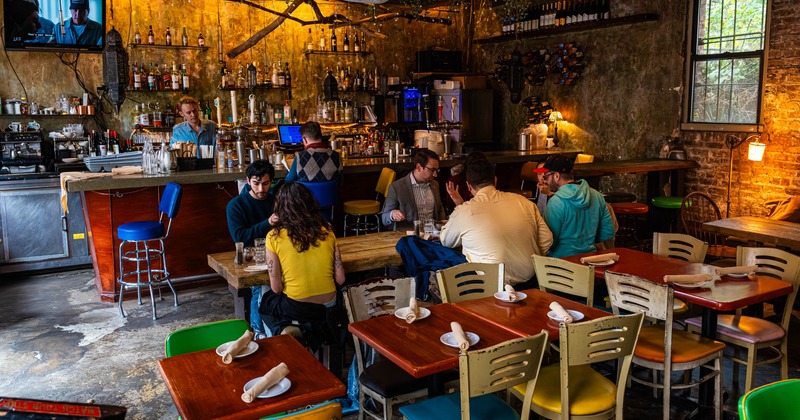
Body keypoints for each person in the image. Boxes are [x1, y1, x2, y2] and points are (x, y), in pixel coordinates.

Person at [440, 152, 553, 288]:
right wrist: (529, 258)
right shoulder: (524, 202)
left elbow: (446, 241)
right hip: (531, 282)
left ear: (469, 186)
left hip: (490, 287)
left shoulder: (464, 211)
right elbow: (547, 239)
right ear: (495, 180)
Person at [259, 182, 346, 347]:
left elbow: (276, 288)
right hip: (328, 306)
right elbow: (340, 279)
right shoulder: (327, 231)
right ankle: (309, 333)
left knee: (265, 301)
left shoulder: (274, 236)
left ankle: (280, 340)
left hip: (298, 307)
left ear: (280, 208)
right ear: (310, 204)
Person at [225, 160, 276, 339]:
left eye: (266, 184)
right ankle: (258, 332)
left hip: (278, 253)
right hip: (250, 258)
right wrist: (268, 223)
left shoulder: (275, 200)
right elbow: (240, 238)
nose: (261, 189)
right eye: (256, 183)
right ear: (248, 181)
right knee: (261, 287)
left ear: (272, 182)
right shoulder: (236, 205)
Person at [536, 154, 615, 258]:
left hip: (560, 262)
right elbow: (608, 232)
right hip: (589, 258)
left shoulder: (556, 201)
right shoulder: (596, 195)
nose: (545, 180)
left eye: (546, 176)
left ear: (556, 176)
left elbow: (549, 241)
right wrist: (586, 244)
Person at [381, 149, 446, 231]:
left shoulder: (435, 185)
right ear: (418, 167)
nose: (435, 174)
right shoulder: (397, 187)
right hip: (410, 234)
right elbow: (384, 218)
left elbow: (439, 209)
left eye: (437, 170)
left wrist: (443, 226)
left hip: (433, 233)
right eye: (432, 170)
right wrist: (392, 214)